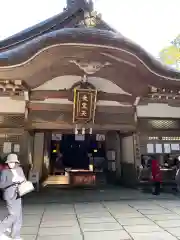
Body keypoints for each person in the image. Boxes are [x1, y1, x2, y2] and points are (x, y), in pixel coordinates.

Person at [0, 153, 26, 240]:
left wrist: (21, 180)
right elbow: (1, 185)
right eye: (9, 162)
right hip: (9, 196)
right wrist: (12, 181)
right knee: (13, 215)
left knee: (19, 216)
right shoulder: (5, 172)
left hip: (18, 194)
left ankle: (16, 235)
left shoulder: (19, 169)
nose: (11, 164)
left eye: (13, 162)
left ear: (16, 162)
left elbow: (24, 180)